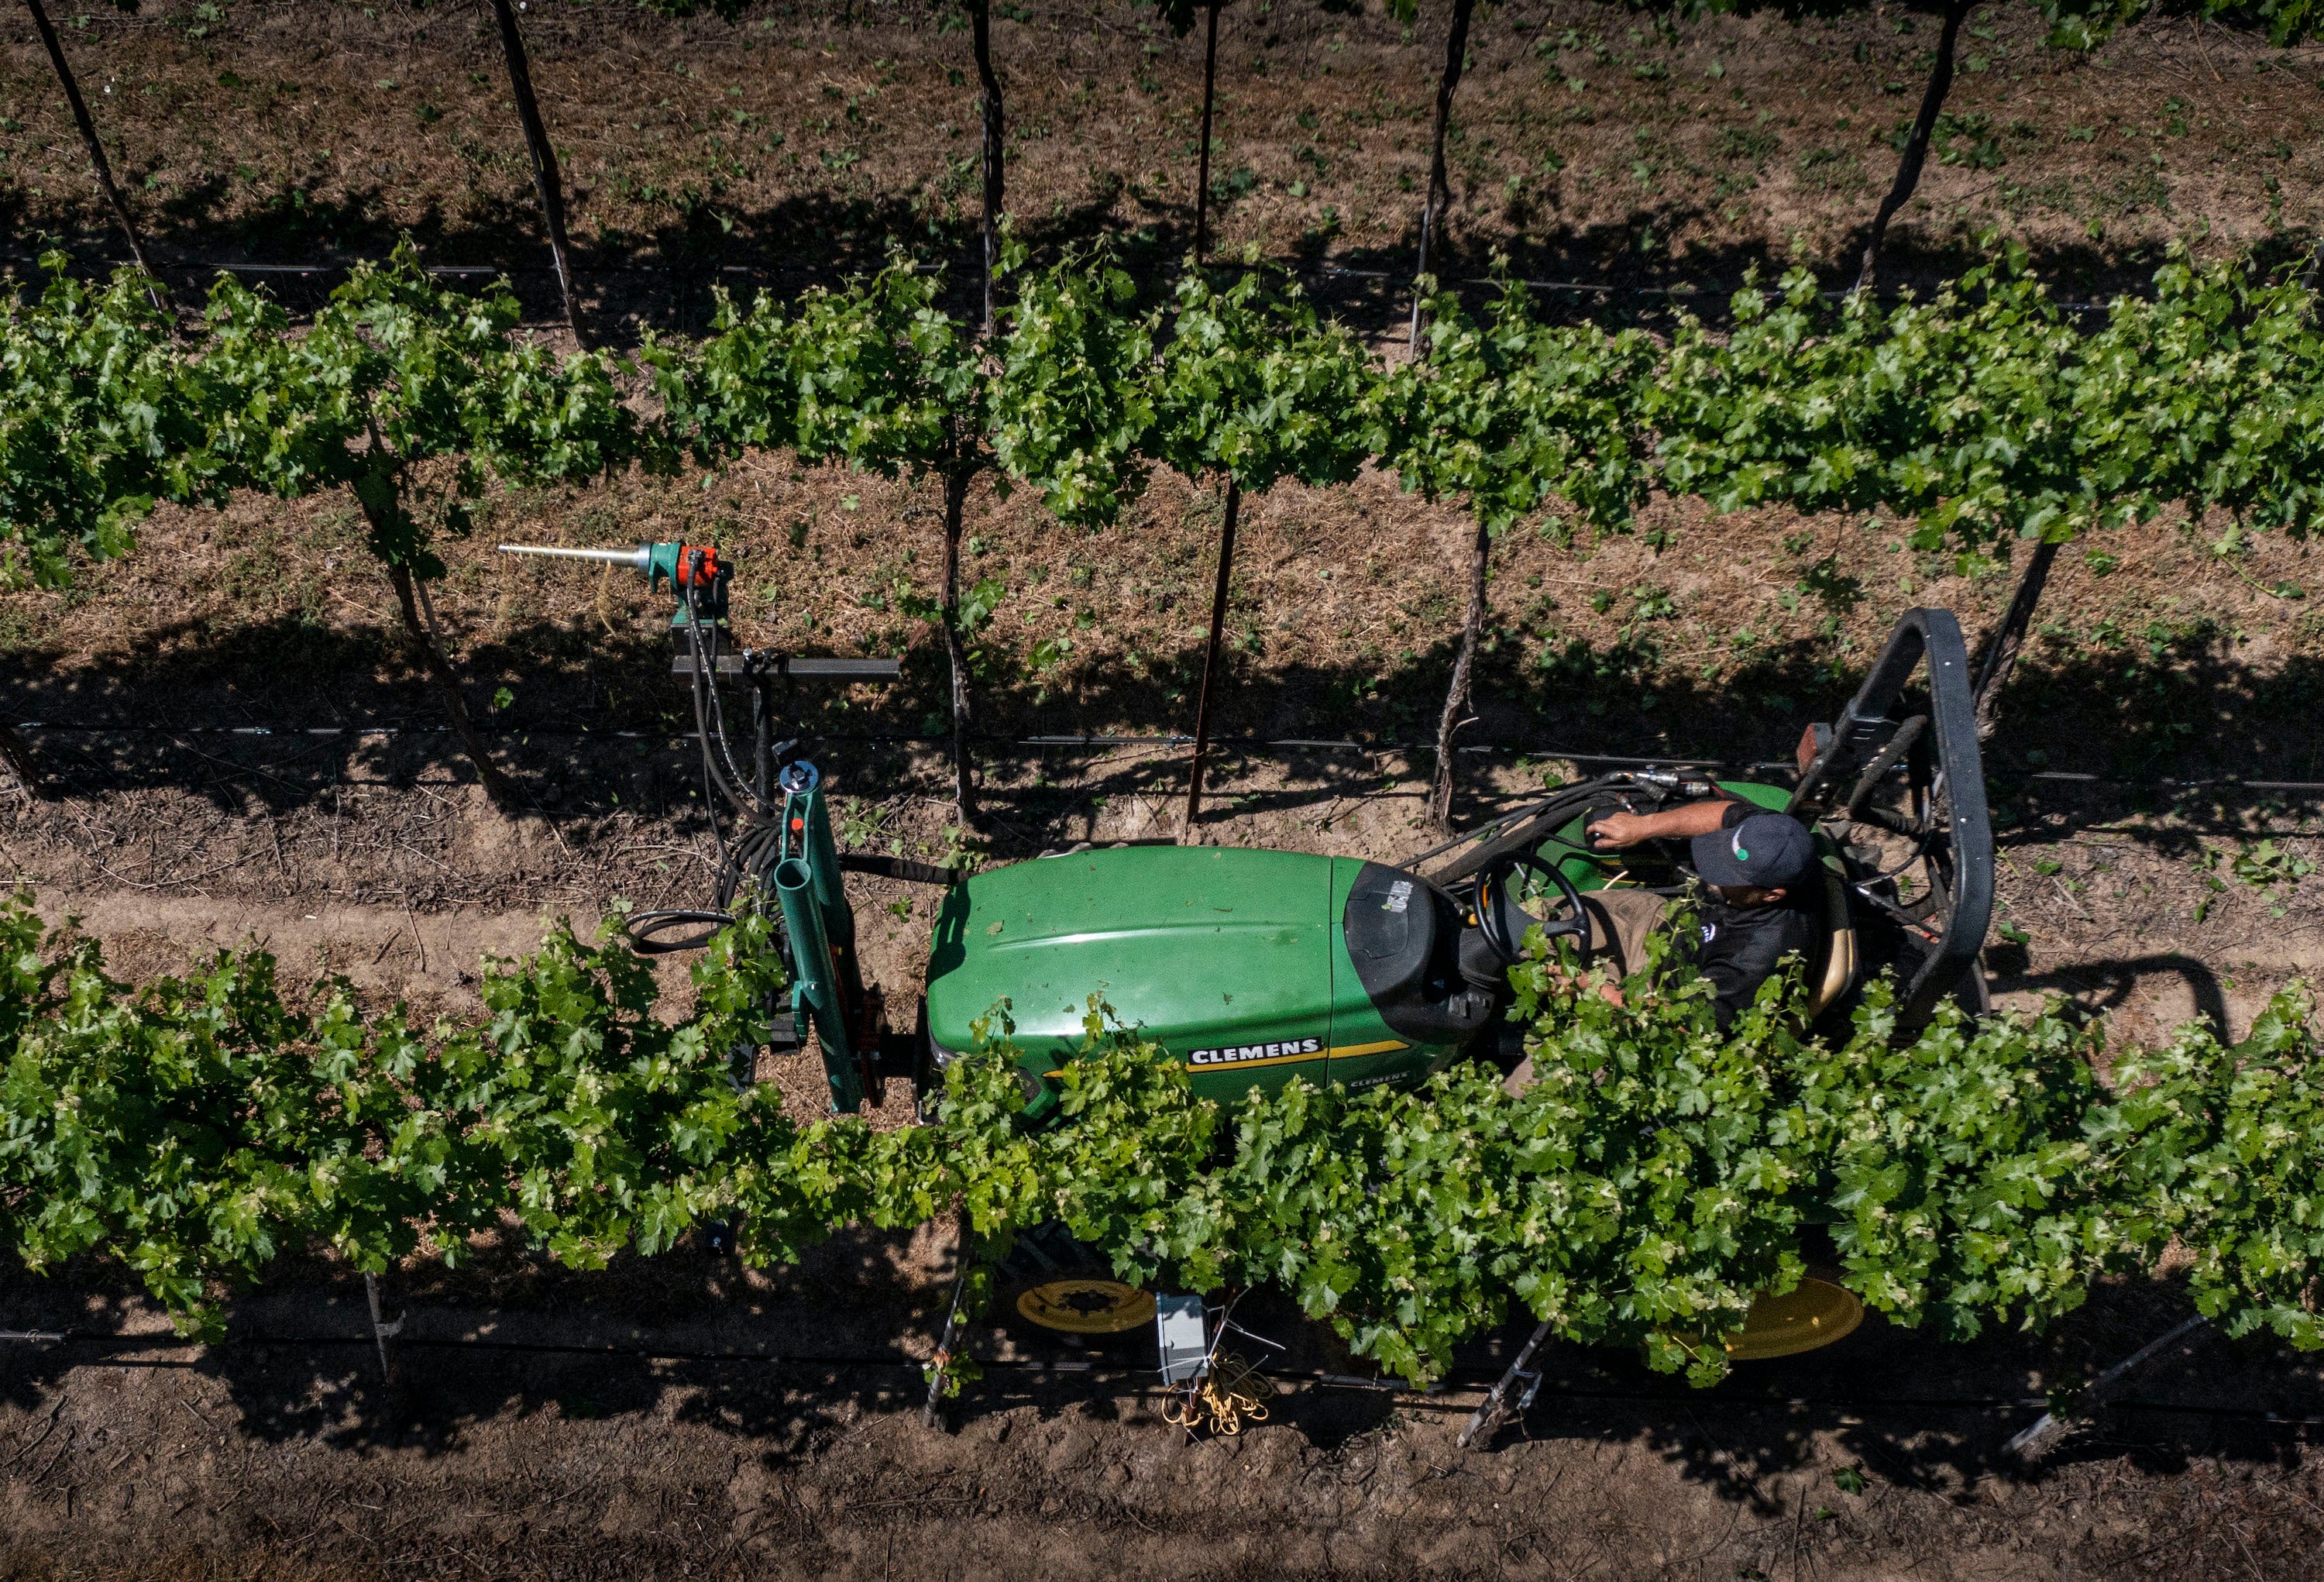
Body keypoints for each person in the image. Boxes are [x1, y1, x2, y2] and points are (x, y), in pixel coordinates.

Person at [1504, 797, 1824, 1093]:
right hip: (1664, 925)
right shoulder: (1773, 838)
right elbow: (1724, 813)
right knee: (1529, 921)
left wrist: (1595, 989)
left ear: (1772, 895)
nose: (1710, 877)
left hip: (1666, 1005)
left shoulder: (1759, 957)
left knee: (1540, 1084)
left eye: (1729, 877)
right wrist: (1643, 825)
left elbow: (1690, 1028)